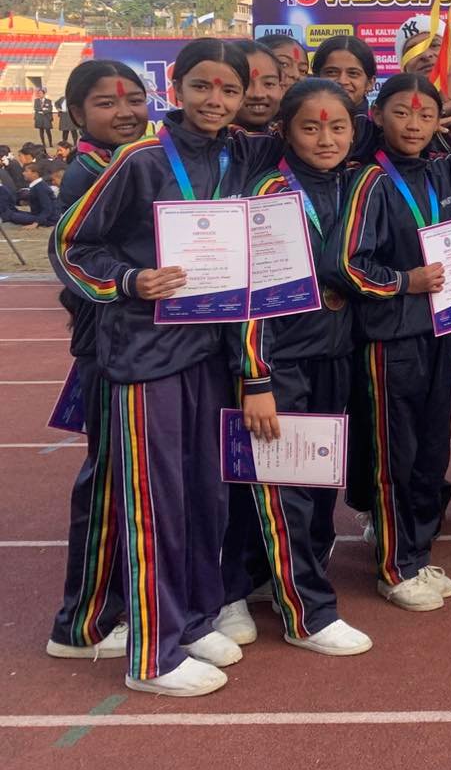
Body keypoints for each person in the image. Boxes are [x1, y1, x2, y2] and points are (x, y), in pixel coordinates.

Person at [51, 38, 283, 697]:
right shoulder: (142, 159)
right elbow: (69, 244)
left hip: (207, 351)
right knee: (155, 502)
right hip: (144, 356)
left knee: (204, 496)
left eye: (229, 90)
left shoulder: (239, 155)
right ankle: (152, 654)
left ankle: (193, 617)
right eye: (202, 87)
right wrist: (130, 281)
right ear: (176, 88)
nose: (216, 100)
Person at [339, 71, 451, 611]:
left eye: (425, 115)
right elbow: (349, 264)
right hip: (389, 337)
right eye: (401, 113)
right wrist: (404, 282)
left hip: (442, 328)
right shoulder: (367, 180)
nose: (413, 124)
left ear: (440, 122)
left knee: (430, 451)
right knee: (395, 453)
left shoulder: (443, 171)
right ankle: (394, 566)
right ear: (377, 117)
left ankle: (414, 552)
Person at [214, 78, 373, 656]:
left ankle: (259, 582)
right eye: (310, 127)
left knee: (316, 483)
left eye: (338, 127)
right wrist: (255, 377)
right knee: (281, 490)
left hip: (333, 354)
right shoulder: (268, 192)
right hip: (278, 362)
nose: (326, 139)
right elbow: (249, 292)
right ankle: (307, 613)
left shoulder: (353, 182)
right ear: (285, 131)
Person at [43, 59, 148, 663]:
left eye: (135, 99)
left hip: (125, 339)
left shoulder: (122, 159)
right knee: (109, 481)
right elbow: (79, 259)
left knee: (122, 476)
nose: (126, 112)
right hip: (111, 343)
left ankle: (113, 605)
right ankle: (81, 624)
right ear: (78, 113)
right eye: (108, 103)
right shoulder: (92, 171)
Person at [233, 40, 285, 133]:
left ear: (281, 88)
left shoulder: (290, 138)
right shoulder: (211, 140)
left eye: (269, 84)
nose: (258, 94)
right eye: (246, 83)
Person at [22, 160, 60, 226]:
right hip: (40, 215)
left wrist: (36, 223)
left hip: (49, 219)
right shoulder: (37, 186)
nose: (23, 173)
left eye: (26, 171)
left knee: (14, 216)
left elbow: (47, 208)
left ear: (35, 174)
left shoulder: (41, 187)